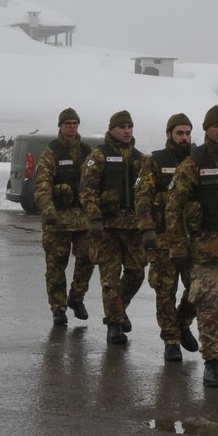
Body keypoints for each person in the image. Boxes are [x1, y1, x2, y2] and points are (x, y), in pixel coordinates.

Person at [165, 105, 218, 389]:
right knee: (209, 306)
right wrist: (178, 248)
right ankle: (211, 362)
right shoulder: (193, 163)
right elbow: (174, 208)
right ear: (207, 131)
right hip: (205, 248)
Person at [80, 110, 151, 346]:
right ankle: (114, 325)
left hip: (132, 229)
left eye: (130, 126)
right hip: (107, 228)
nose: (127, 130)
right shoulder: (98, 157)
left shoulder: (141, 160)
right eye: (122, 127)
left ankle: (119, 309)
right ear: (111, 130)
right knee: (110, 279)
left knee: (137, 273)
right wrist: (94, 219)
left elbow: (147, 193)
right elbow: (88, 190)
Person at [134, 113, 199, 362]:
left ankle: (183, 323)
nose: (184, 137)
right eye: (179, 133)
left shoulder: (197, 160)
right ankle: (170, 339)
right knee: (165, 290)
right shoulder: (155, 161)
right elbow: (143, 196)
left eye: (187, 133)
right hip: (163, 238)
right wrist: (147, 227)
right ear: (169, 134)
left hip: (192, 238)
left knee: (197, 288)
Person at [33, 108, 96, 326]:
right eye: (67, 123)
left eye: (74, 123)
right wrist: (48, 210)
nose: (71, 127)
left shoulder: (87, 151)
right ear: (60, 126)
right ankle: (58, 308)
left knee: (88, 259)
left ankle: (76, 298)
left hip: (81, 220)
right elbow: (42, 184)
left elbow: (94, 182)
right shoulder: (52, 152)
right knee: (56, 266)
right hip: (57, 221)